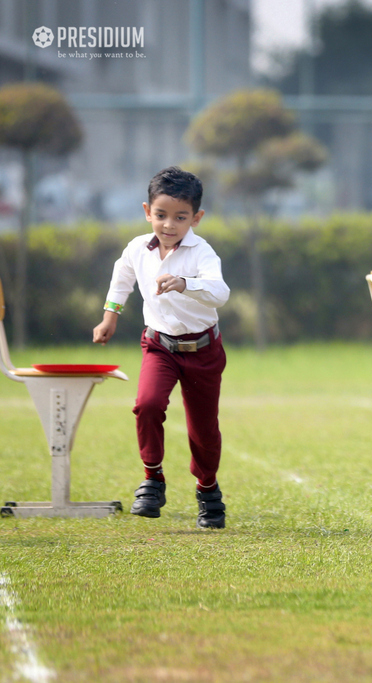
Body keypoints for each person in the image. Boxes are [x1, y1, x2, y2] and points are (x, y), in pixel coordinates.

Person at [92, 166, 231, 529]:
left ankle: (208, 489)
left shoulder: (202, 253)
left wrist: (185, 283)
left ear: (196, 218)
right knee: (147, 405)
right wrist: (110, 316)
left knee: (203, 430)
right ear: (147, 212)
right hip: (159, 346)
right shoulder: (138, 248)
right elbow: (121, 278)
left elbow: (221, 293)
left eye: (180, 217)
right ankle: (152, 479)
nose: (169, 224)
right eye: (161, 215)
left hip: (203, 351)